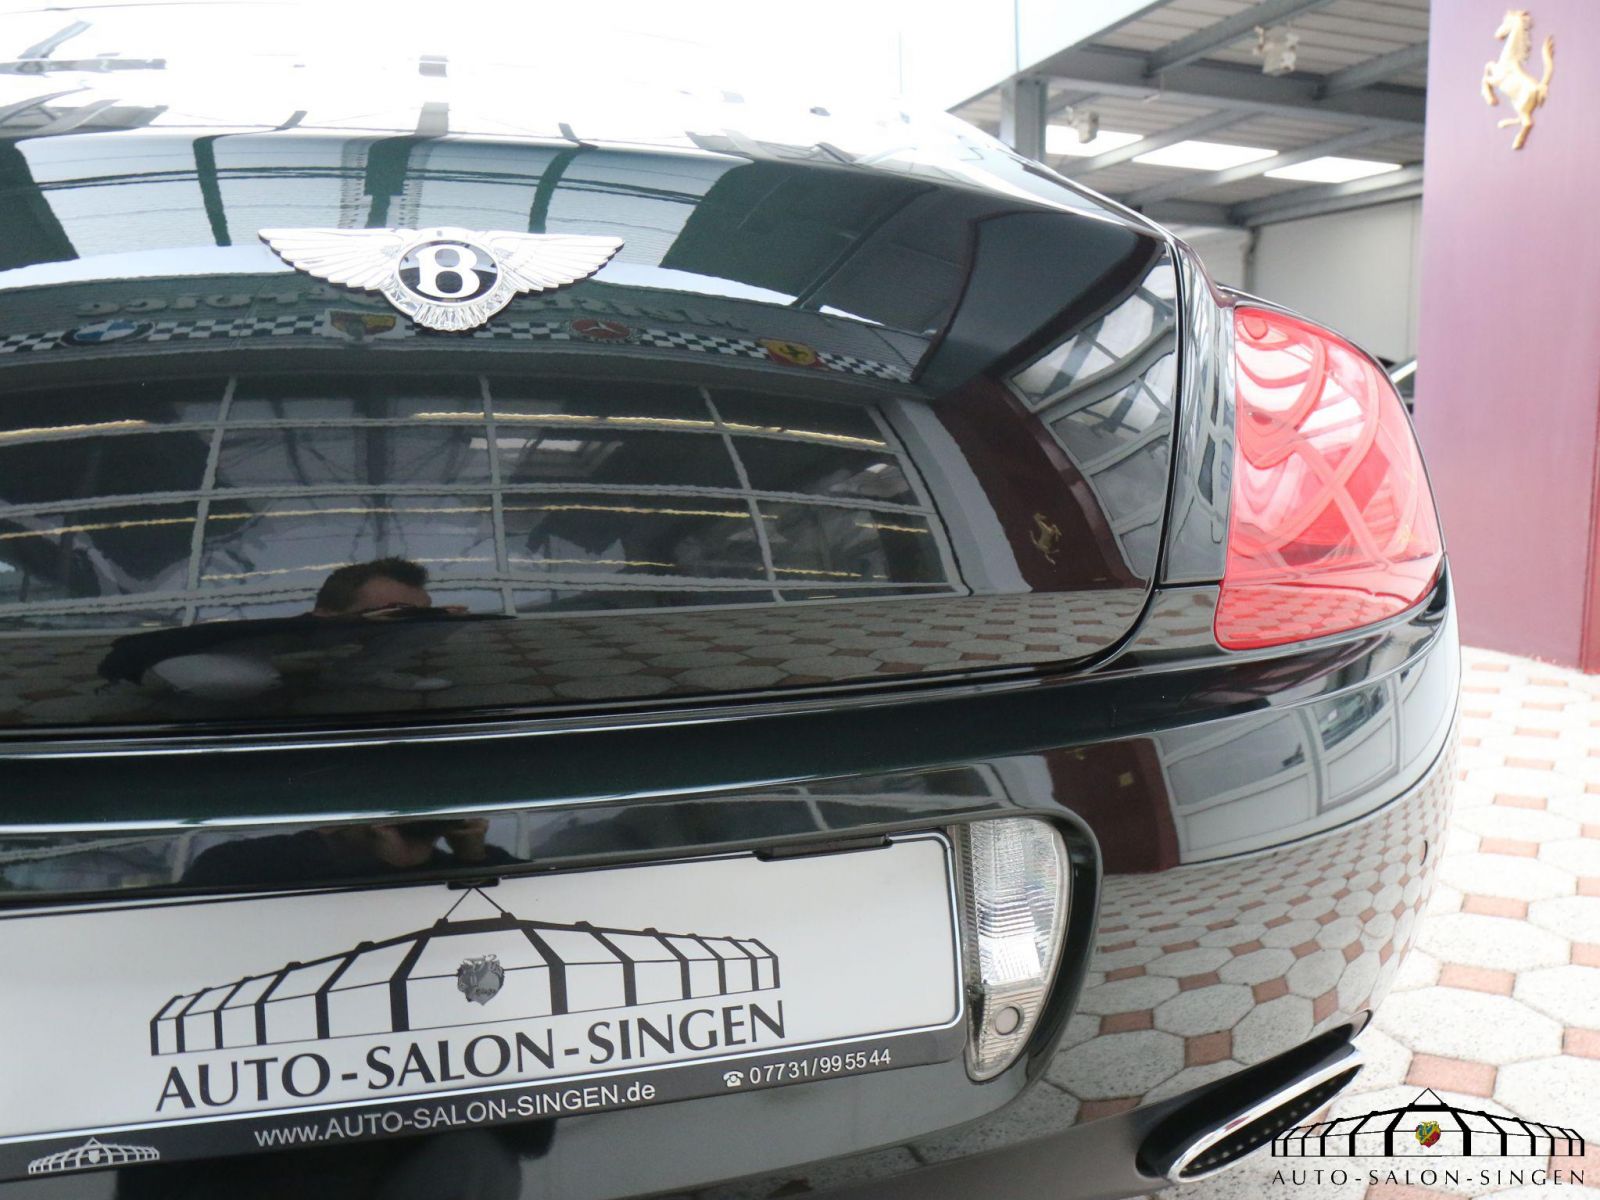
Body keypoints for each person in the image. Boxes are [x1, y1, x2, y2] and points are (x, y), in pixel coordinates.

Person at [99, 558, 463, 700]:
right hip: (194, 658)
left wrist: (432, 620)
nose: (405, 621)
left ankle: (357, 672)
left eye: (418, 611)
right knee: (244, 682)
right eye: (394, 612)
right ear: (325, 612)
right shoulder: (258, 629)